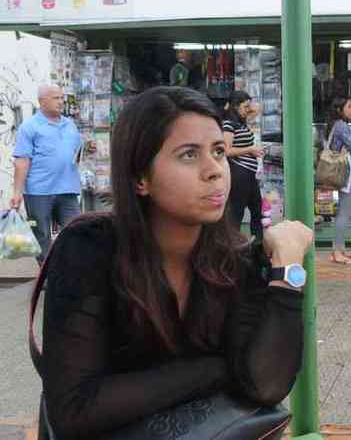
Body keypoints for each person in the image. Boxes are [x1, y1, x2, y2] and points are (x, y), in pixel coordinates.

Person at [36, 86, 313, 438]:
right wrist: (218, 368)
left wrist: (287, 273)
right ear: (140, 178)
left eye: (218, 152)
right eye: (188, 155)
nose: (214, 171)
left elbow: (266, 385)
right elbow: (74, 411)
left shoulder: (233, 260)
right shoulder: (90, 249)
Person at [10, 85, 91, 264]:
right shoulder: (29, 127)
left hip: (68, 190)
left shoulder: (69, 125)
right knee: (42, 236)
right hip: (39, 191)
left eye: (62, 98)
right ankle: (46, 277)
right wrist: (16, 193)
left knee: (77, 231)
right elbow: (22, 161)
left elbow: (77, 152)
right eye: (56, 98)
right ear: (42, 101)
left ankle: (72, 271)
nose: (61, 102)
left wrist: (89, 148)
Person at [222, 90, 266, 243]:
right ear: (235, 107)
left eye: (248, 107)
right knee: (237, 211)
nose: (248, 110)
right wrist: (250, 150)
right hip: (239, 173)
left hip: (249, 174)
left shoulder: (241, 122)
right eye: (245, 107)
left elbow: (259, 108)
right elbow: (226, 150)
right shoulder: (228, 124)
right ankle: (232, 245)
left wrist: (247, 103)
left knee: (257, 209)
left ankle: (258, 244)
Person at [326, 96, 351, 264]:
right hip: (345, 172)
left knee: (344, 210)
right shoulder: (342, 126)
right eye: (349, 106)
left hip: (340, 170)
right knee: (345, 211)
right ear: (340, 110)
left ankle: (341, 249)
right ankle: (336, 252)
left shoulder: (335, 125)